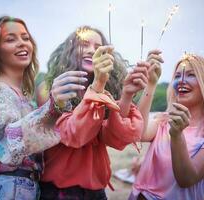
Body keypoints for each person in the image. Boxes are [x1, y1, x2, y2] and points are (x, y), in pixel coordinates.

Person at [0, 16, 87, 199]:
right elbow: (7, 149)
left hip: (24, 188)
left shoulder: (21, 96)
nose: (22, 43)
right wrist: (52, 107)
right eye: (10, 39)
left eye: (25, 38)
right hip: (7, 189)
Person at [38, 26, 160, 199]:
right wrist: (98, 84)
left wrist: (126, 94)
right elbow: (75, 134)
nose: (91, 50)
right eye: (84, 44)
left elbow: (115, 139)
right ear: (70, 50)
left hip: (96, 192)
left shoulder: (104, 90)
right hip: (59, 191)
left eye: (97, 47)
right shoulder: (49, 88)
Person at [129, 53, 204, 200]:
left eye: (191, 75)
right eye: (177, 76)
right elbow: (137, 133)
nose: (181, 81)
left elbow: (187, 178)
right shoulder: (165, 118)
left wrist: (177, 135)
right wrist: (151, 84)